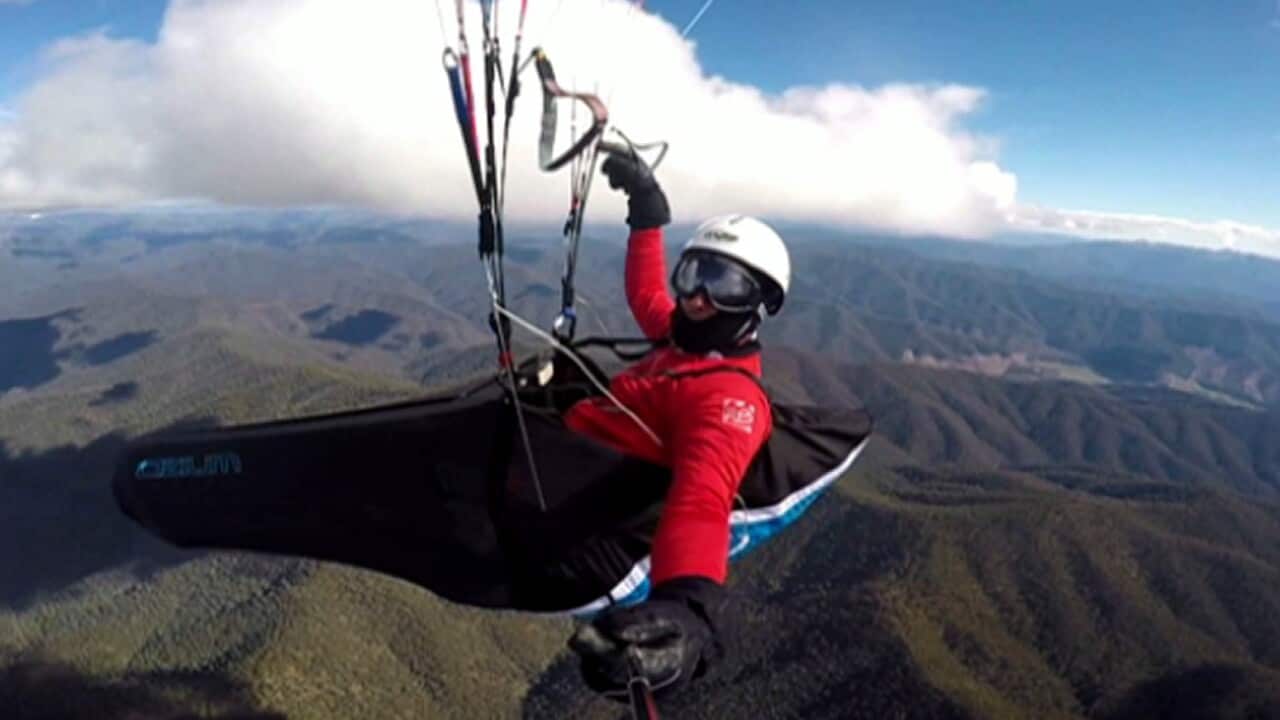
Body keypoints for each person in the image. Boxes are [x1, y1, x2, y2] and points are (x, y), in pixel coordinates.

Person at [564, 149, 791, 700]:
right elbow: (647, 295)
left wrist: (689, 609)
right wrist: (647, 211)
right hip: (556, 449)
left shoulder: (728, 399)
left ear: (758, 305)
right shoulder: (688, 342)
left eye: (724, 285)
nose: (695, 297)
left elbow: (702, 501)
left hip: (561, 490)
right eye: (694, 274)